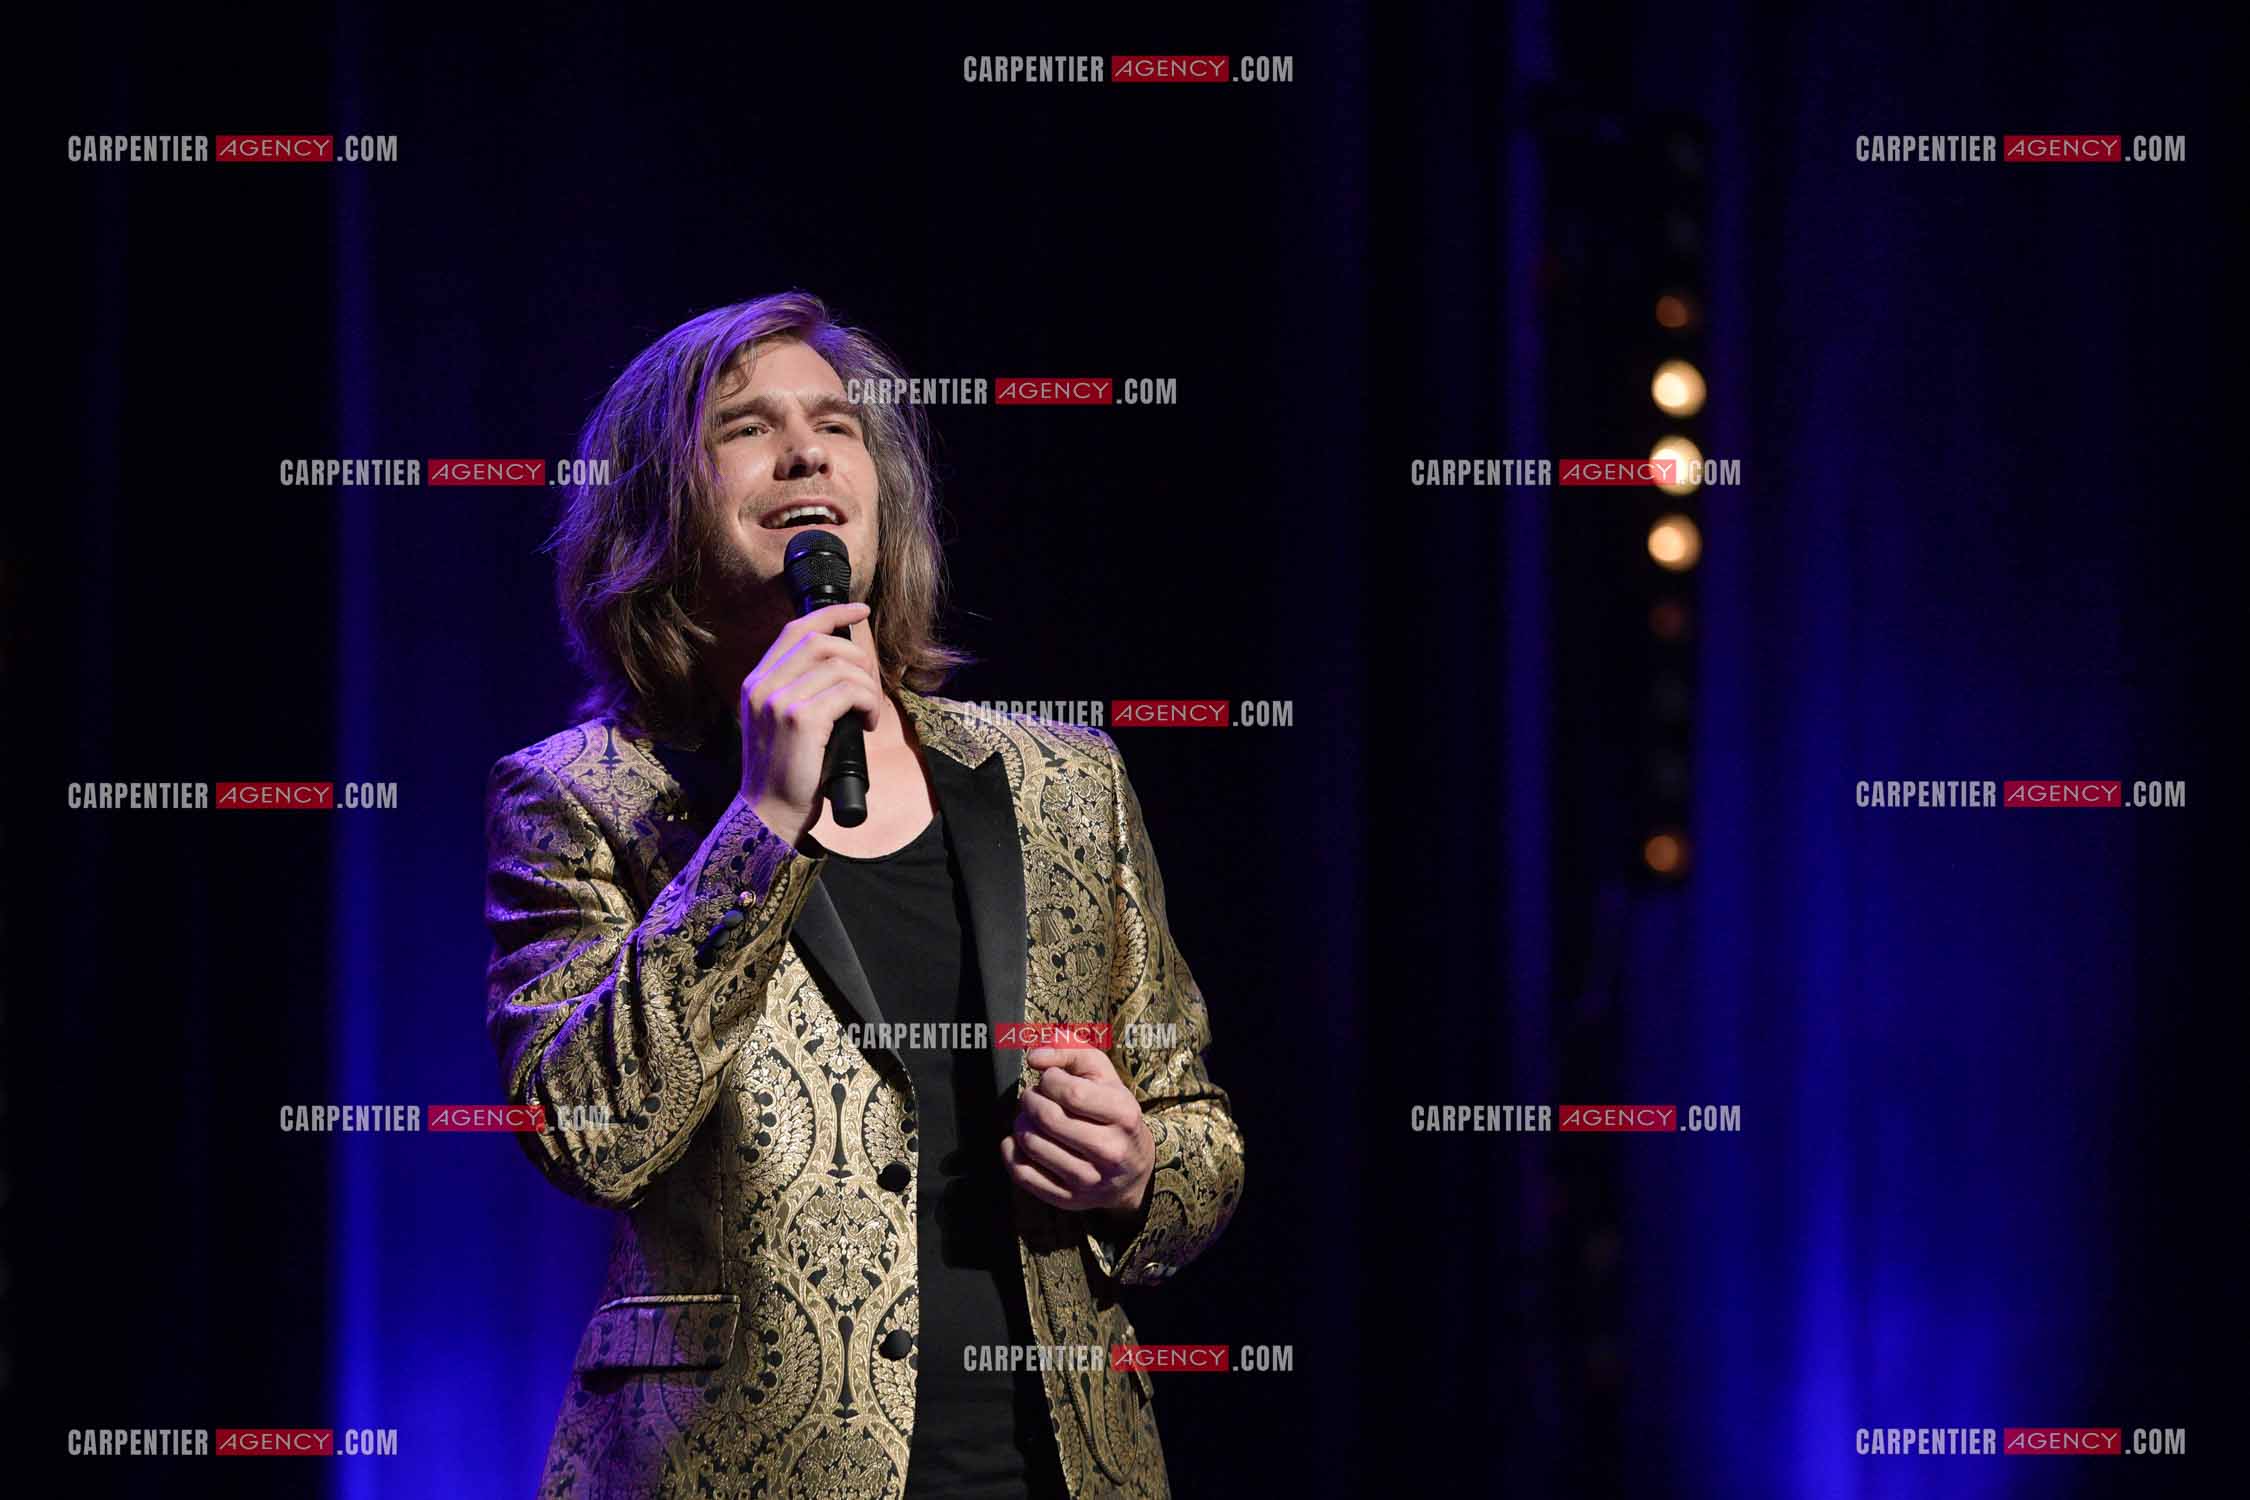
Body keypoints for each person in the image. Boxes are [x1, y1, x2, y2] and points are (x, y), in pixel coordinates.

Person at [482, 291, 1244, 1498]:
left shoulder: (1063, 782)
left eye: (836, 425)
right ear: (658, 505)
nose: (805, 451)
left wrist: (1139, 1169)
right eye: (745, 426)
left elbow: (1200, 1128)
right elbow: (589, 1132)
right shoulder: (586, 796)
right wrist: (761, 823)